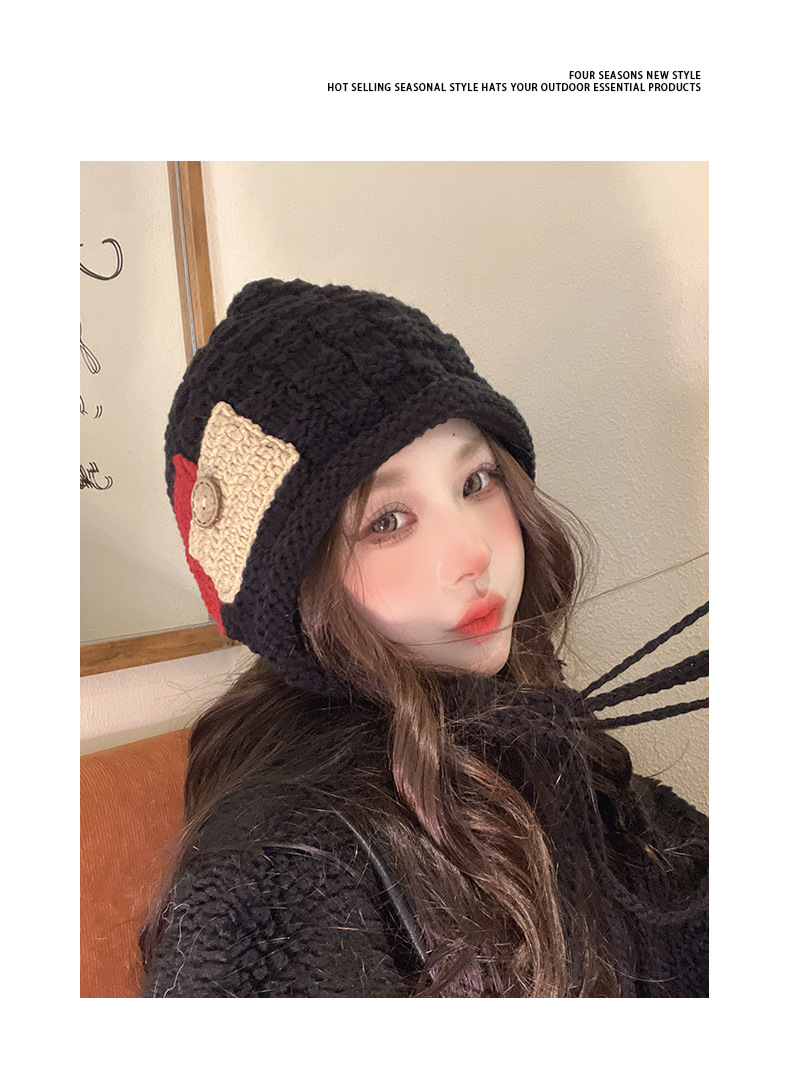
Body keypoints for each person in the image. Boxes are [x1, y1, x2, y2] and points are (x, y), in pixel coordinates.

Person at [140, 277, 708, 998]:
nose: (473, 553)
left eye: (475, 482)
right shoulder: (276, 870)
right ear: (292, 588)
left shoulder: (531, 731)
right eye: (387, 520)